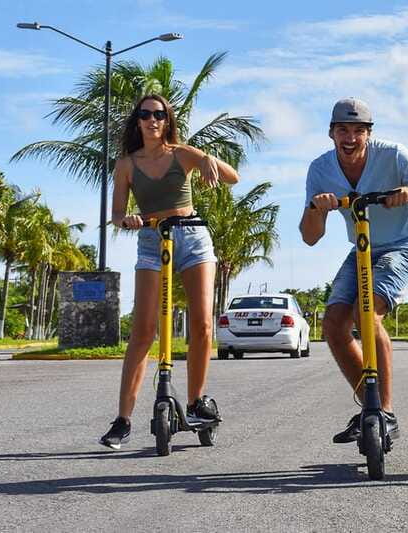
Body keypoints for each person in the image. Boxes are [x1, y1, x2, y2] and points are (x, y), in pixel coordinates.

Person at [99, 94, 239, 449]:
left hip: (192, 236)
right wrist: (126, 219)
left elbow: (232, 177)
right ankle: (123, 420)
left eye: (159, 114)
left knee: (203, 323)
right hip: (151, 239)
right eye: (145, 114)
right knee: (143, 330)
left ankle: (195, 402)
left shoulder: (182, 153)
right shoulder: (127, 164)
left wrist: (208, 158)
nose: (152, 120)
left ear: (167, 120)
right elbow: (116, 214)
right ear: (138, 121)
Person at [300, 97, 408, 444]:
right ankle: (370, 407)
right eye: (343, 131)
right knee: (333, 324)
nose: (350, 138)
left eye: (358, 131)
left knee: (367, 314)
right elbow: (309, 237)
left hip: (407, 242)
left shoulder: (393, 154)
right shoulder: (320, 169)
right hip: (363, 247)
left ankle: (385, 412)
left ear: (368, 133)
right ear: (331, 133)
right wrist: (318, 209)